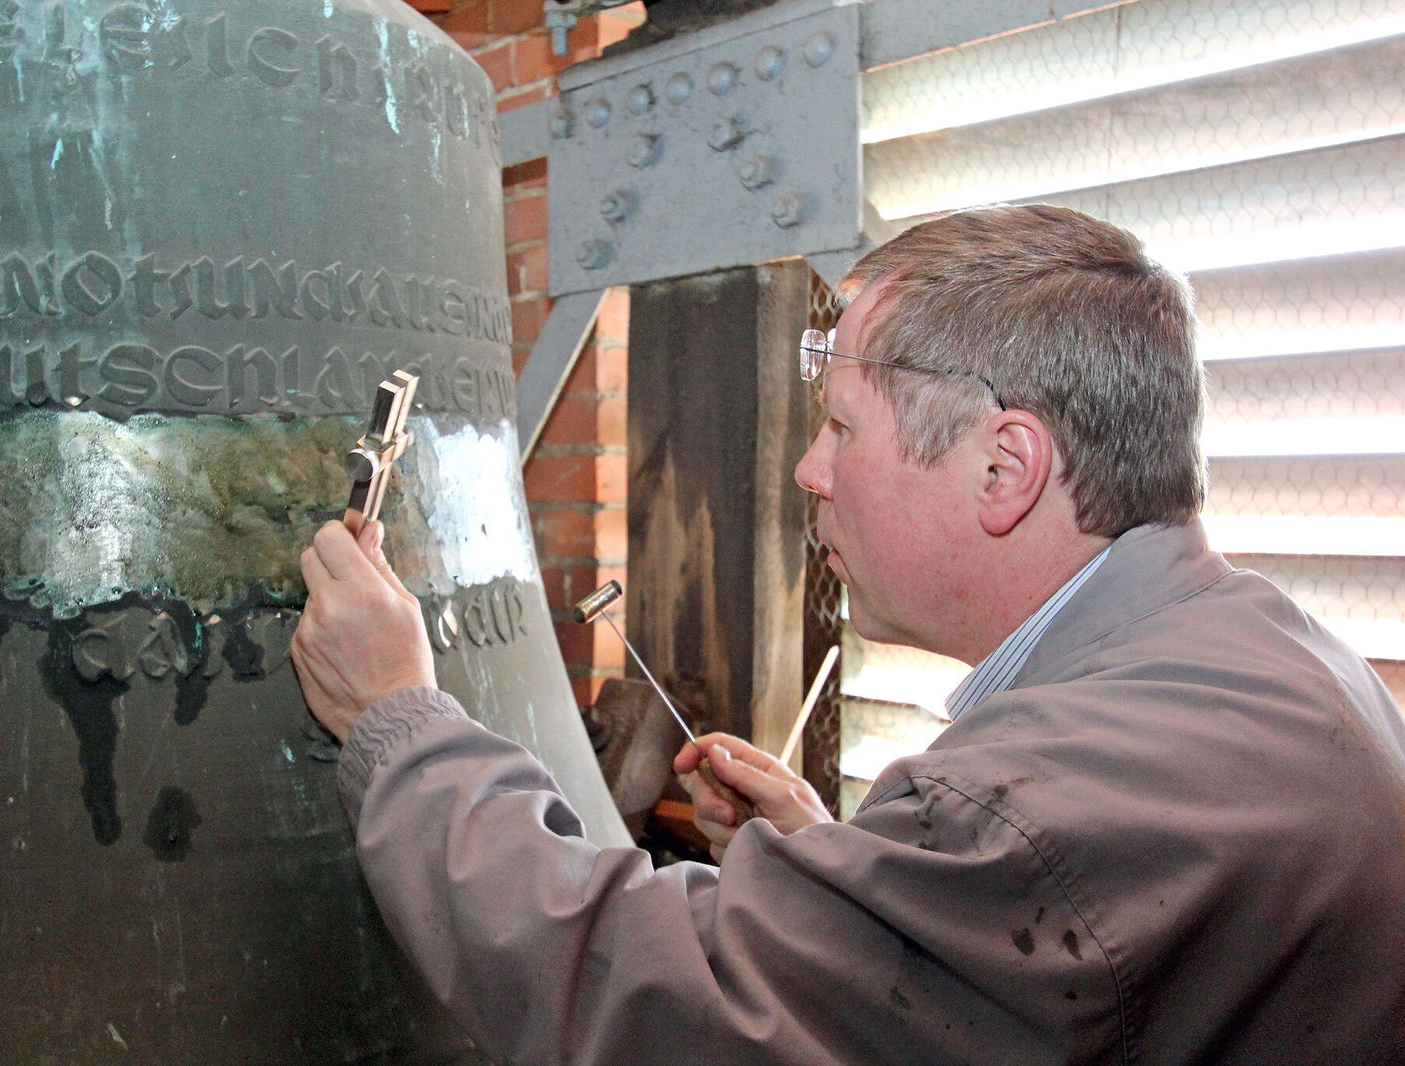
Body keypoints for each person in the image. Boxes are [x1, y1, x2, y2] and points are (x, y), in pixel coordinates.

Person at [290, 205, 1405, 1065]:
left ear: (1003, 468)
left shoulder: (1030, 818)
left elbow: (654, 1003)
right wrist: (860, 873)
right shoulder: (1274, 652)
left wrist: (401, 725)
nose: (807, 471)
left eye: (839, 428)